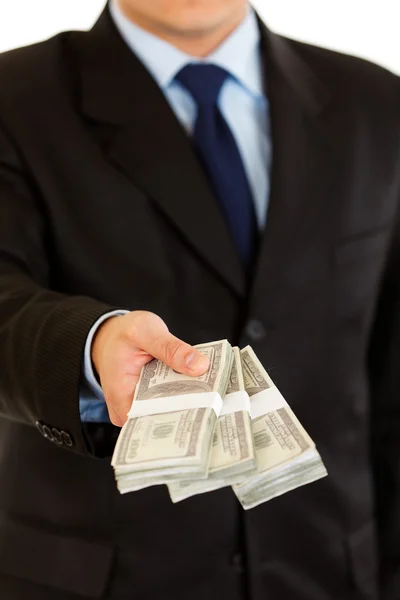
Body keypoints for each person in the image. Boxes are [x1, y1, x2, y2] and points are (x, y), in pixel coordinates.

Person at [0, 0, 398, 598]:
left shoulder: (375, 102)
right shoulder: (15, 99)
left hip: (332, 570)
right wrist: (89, 343)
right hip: (103, 578)